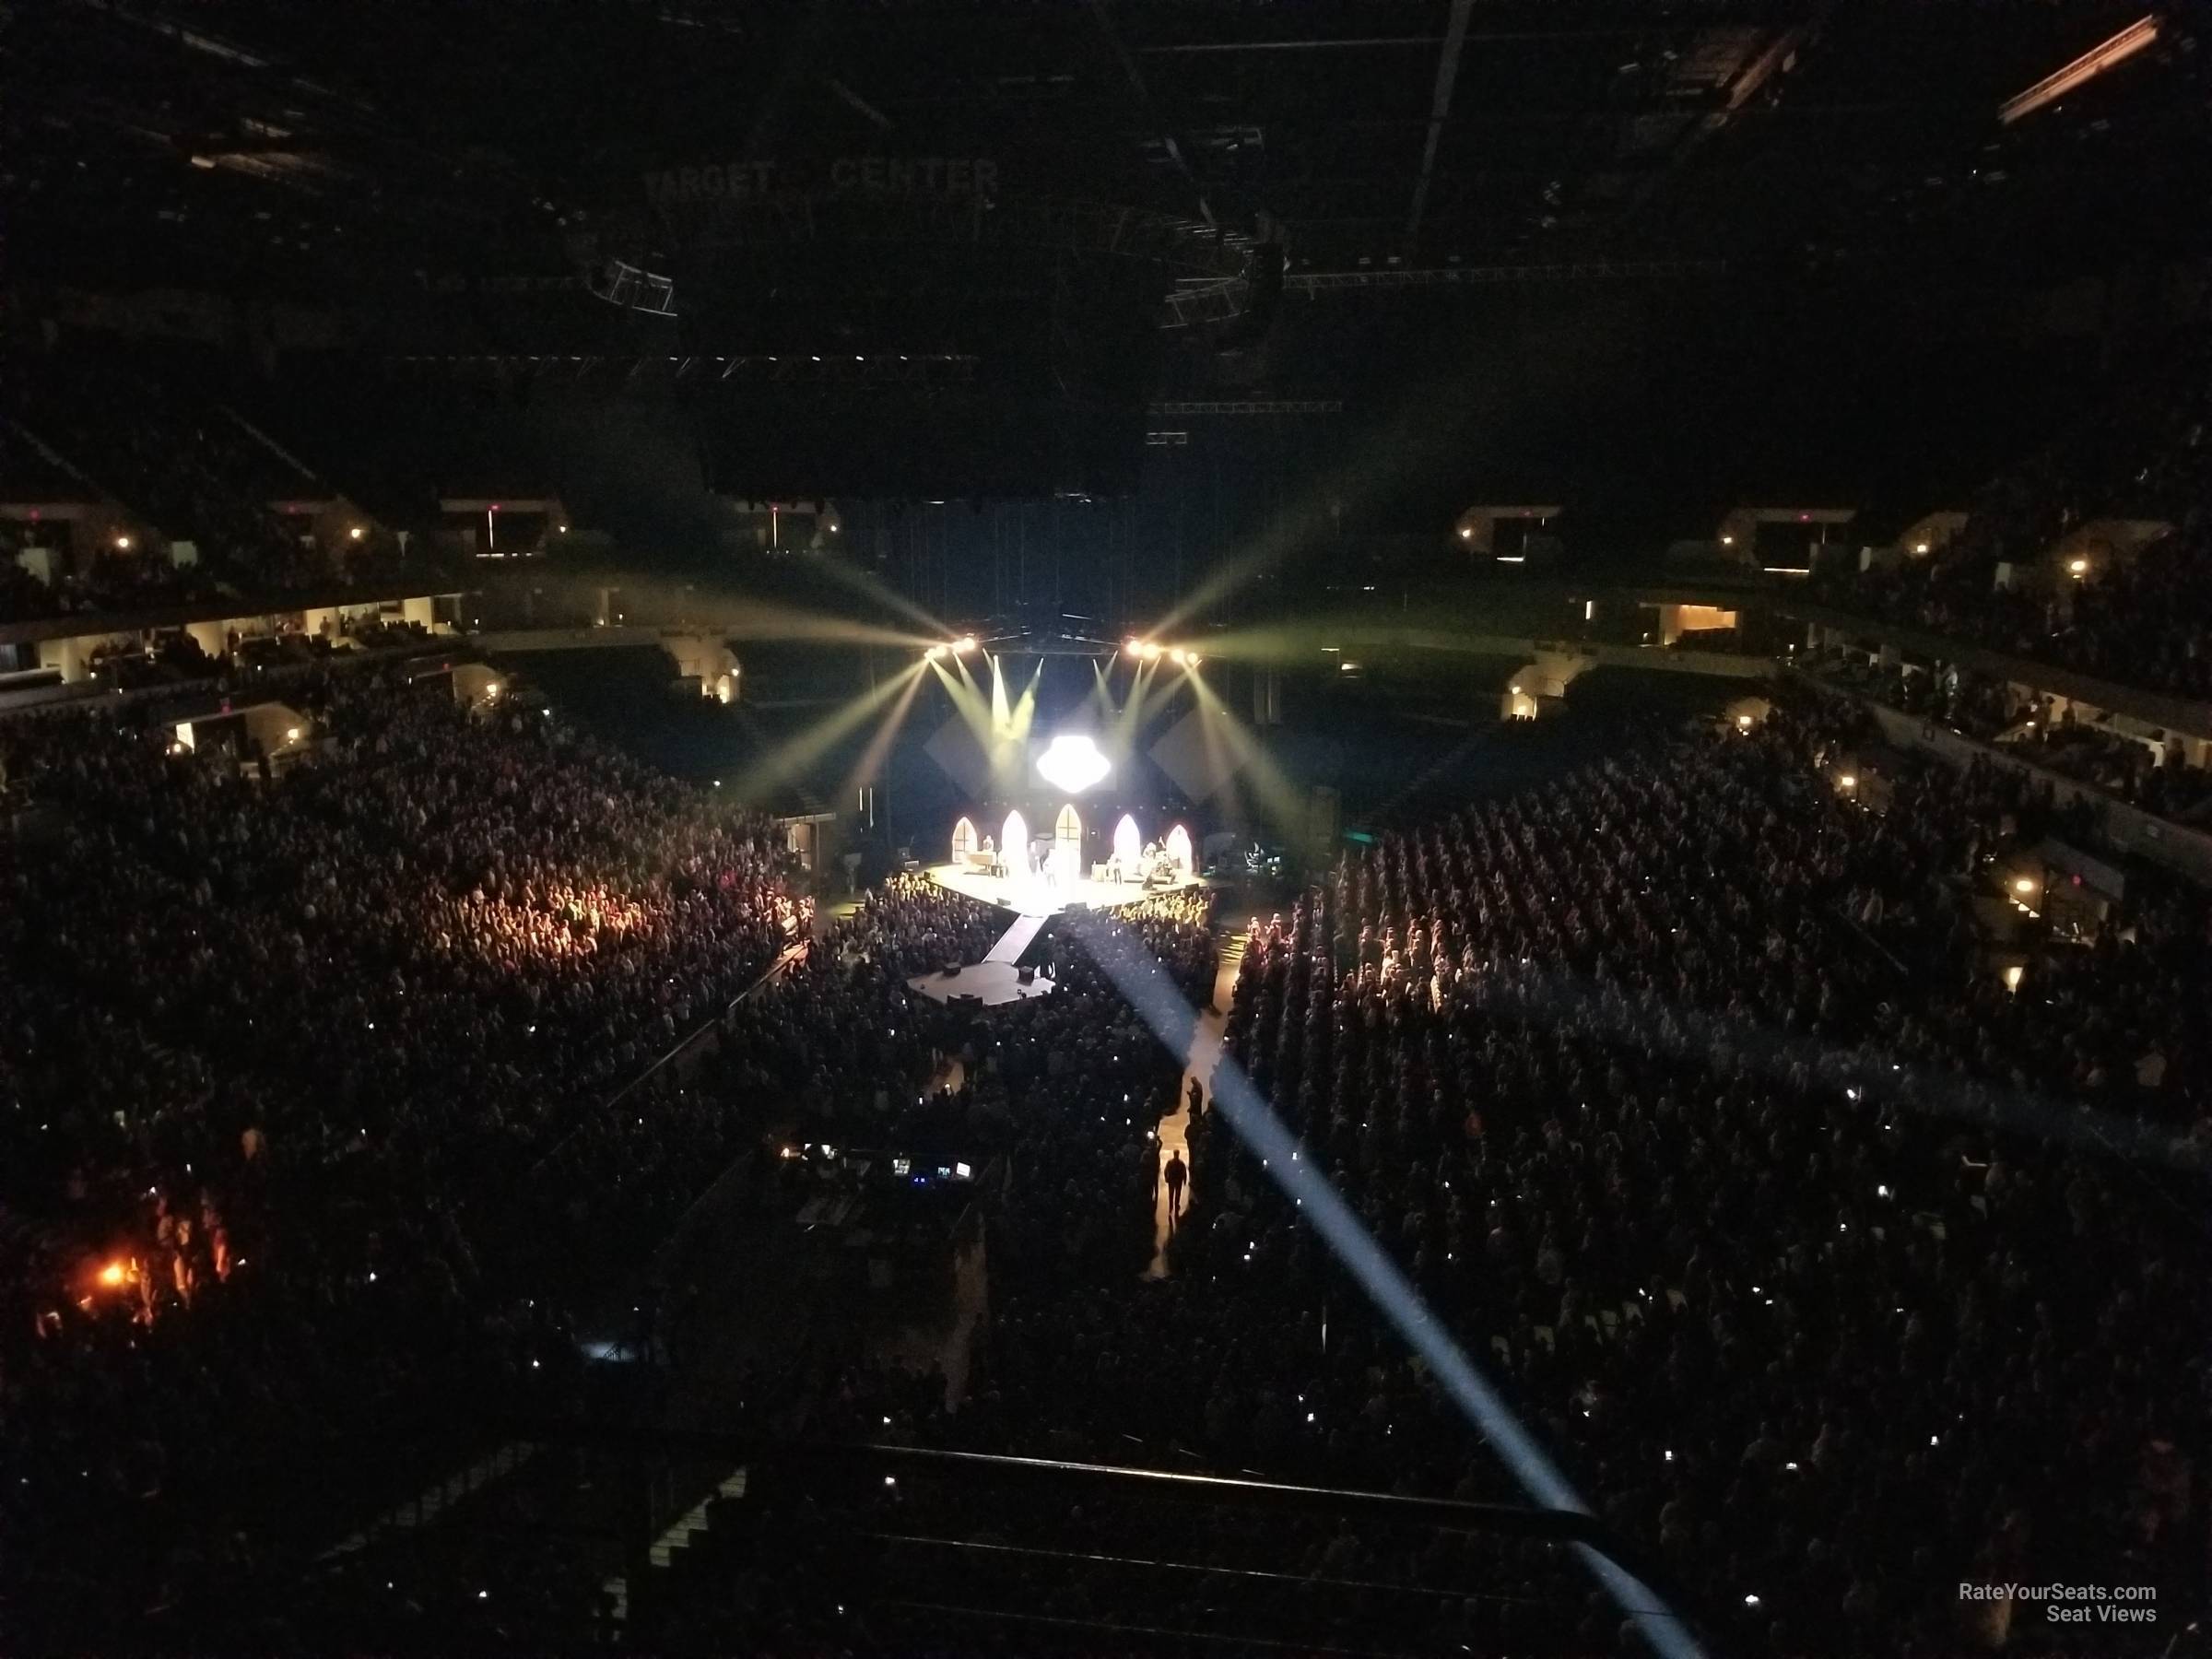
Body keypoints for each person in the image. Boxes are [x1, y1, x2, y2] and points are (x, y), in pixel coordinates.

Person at [1162, 1149, 1187, 1225]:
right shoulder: (1181, 1163)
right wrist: (1184, 1180)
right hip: (1178, 1181)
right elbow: (1184, 1172)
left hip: (1172, 1180)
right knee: (1177, 1194)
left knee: (1171, 1194)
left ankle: (1171, 1206)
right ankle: (1176, 1205)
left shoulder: (1170, 1162)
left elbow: (1166, 1170)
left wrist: (1166, 1177)